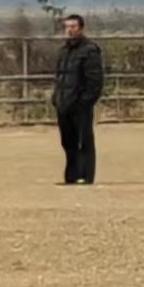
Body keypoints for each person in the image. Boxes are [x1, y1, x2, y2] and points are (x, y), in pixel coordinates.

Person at [53, 13, 104, 185]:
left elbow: (95, 80)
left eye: (73, 27)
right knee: (68, 142)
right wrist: (56, 99)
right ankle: (71, 175)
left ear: (81, 28)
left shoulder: (90, 50)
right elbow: (59, 78)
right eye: (67, 27)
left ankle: (85, 175)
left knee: (84, 141)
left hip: (80, 105)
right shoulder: (63, 51)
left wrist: (84, 102)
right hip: (63, 104)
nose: (70, 30)